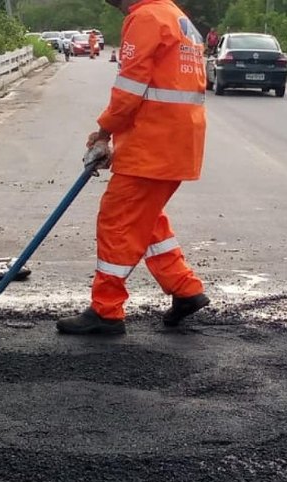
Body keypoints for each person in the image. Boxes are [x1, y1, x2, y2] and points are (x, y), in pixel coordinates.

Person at [57, 0, 210, 335]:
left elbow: (130, 88)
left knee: (117, 221)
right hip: (176, 142)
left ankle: (106, 310)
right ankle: (185, 289)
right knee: (146, 219)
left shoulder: (144, 18)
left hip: (153, 144)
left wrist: (104, 133)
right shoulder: (174, 15)